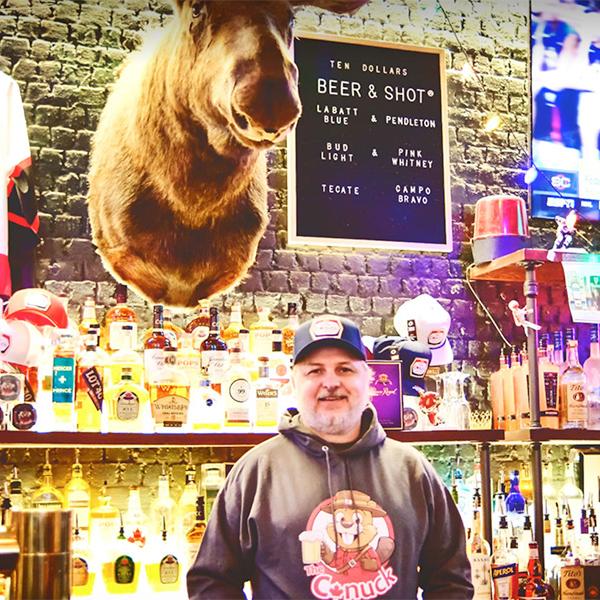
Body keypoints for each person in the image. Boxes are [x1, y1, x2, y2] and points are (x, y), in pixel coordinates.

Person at [187, 314, 473, 599]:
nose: (331, 382)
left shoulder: (413, 470)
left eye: (345, 369)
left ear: (368, 378)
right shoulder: (255, 472)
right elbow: (211, 582)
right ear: (293, 382)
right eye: (314, 371)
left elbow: (452, 580)